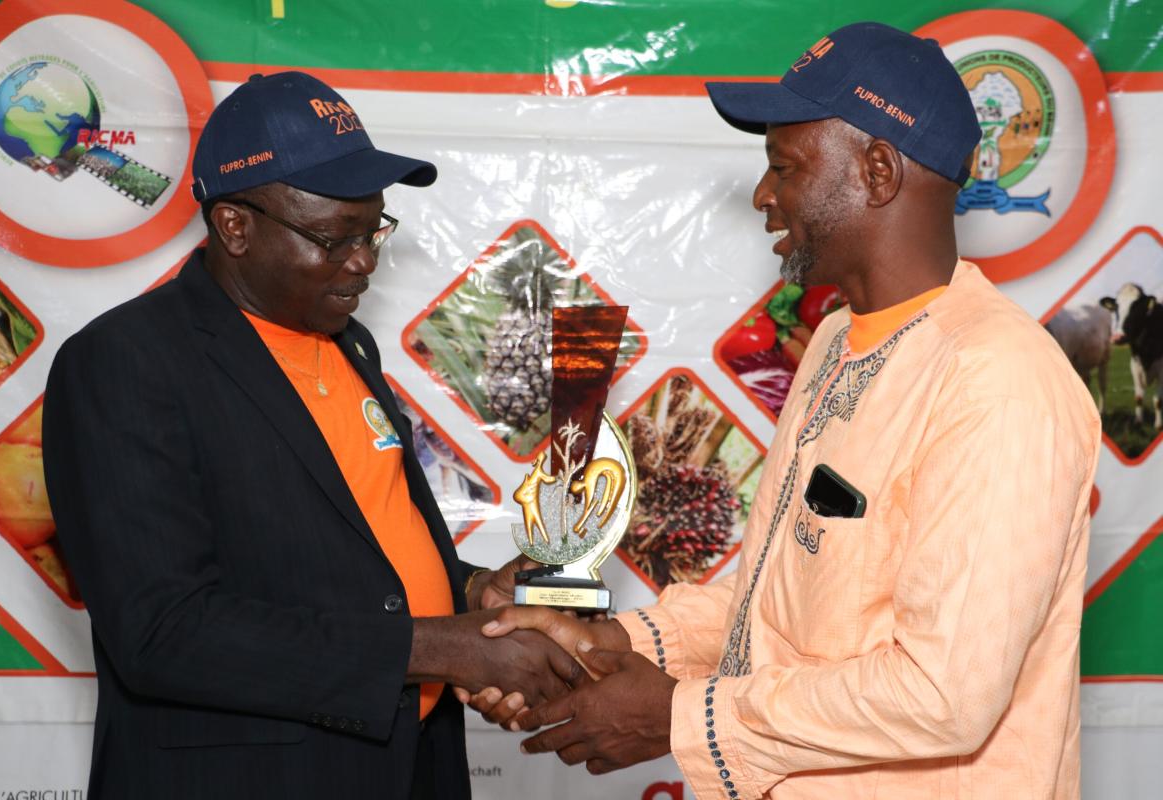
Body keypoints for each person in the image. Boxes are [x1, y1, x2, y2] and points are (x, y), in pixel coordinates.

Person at [464, 22, 1101, 799]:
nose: (764, 196)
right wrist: (611, 644)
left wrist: (680, 716)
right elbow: (781, 604)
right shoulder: (836, 340)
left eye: (785, 167)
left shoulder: (996, 380)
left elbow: (942, 695)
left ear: (877, 171)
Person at [42, 71, 586, 800]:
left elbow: (351, 557)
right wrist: (437, 649)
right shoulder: (124, 362)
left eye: (375, 231)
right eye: (335, 239)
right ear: (235, 226)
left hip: (407, 764)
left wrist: (471, 592)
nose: (364, 261)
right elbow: (164, 631)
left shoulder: (348, 342)